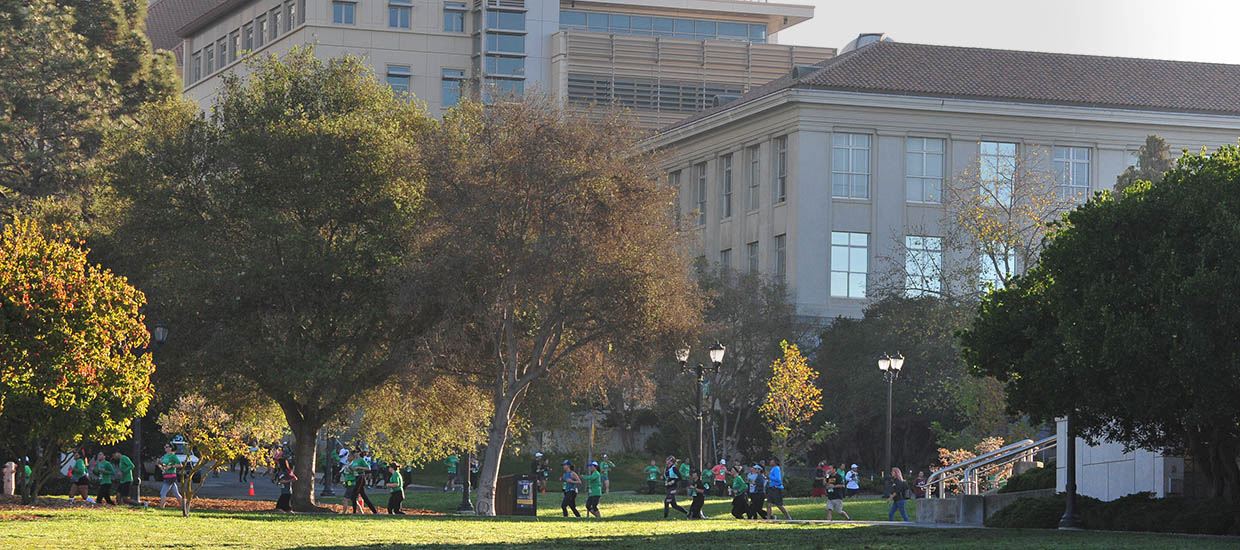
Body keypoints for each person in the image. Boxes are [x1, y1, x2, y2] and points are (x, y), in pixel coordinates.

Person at [157, 444, 183, 509]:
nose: (165, 448)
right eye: (164, 446)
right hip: (166, 476)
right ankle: (184, 507)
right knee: (176, 494)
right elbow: (161, 464)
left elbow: (180, 465)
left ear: (170, 448)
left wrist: (171, 466)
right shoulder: (165, 456)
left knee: (162, 493)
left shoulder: (173, 456)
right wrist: (161, 466)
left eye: (166, 447)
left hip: (171, 477)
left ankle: (161, 508)